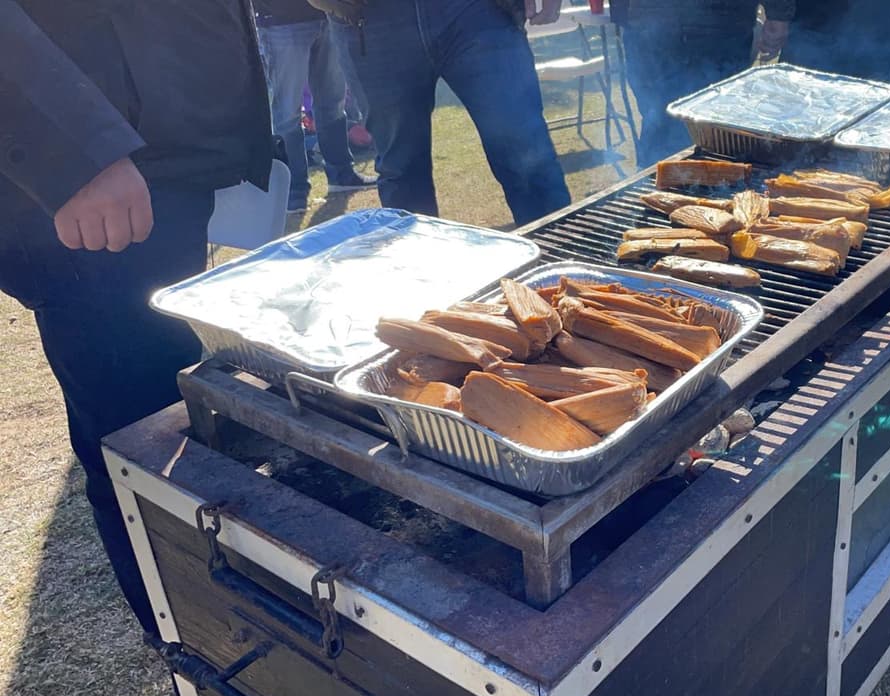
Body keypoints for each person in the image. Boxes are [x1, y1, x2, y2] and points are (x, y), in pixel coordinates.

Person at [0, 0, 272, 635]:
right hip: (93, 168)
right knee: (142, 442)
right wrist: (70, 151)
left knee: (191, 424)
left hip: (176, 145)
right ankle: (208, 663)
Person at [314, 0, 572, 225]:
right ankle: (423, 278)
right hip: (369, 19)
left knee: (527, 155)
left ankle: (566, 271)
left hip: (476, 10)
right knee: (402, 173)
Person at [615, 0, 797, 167]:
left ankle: (704, 182)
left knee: (715, 124)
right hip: (659, 23)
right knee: (660, 117)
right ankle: (653, 180)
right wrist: (778, 14)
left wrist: (778, 13)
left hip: (714, 24)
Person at [256, 0, 377, 214]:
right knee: (288, 114)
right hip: (280, 22)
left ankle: (341, 173)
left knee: (333, 104)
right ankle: (293, 190)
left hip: (329, 15)